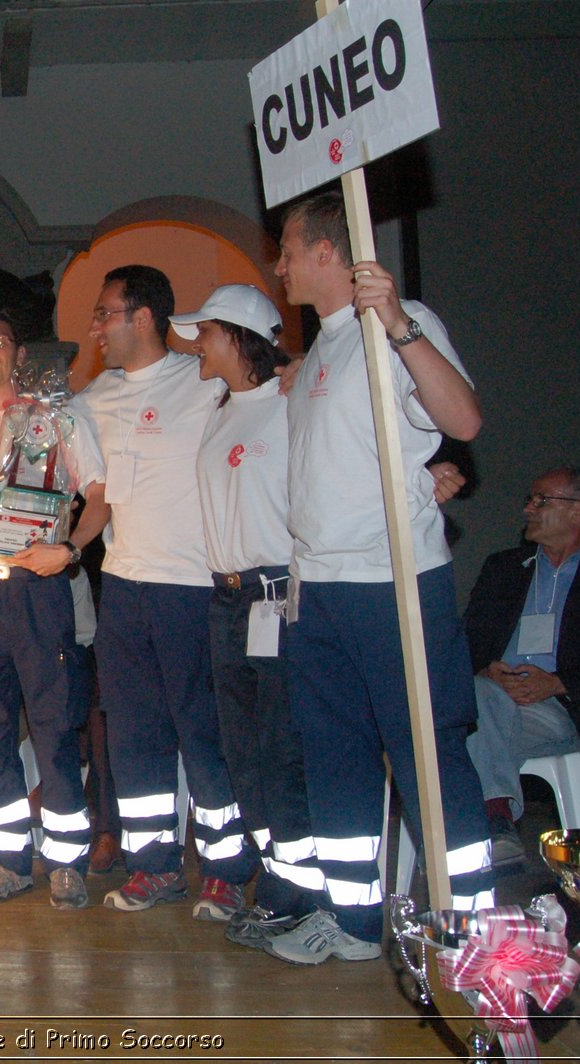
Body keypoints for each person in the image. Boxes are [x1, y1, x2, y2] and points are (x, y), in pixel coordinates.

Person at [268, 187, 493, 965]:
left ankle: (471, 928)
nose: (281, 264)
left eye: (290, 249)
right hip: (318, 592)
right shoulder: (323, 349)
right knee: (335, 759)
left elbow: (462, 422)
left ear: (328, 252)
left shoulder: (403, 325)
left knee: (428, 751)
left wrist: (397, 326)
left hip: (391, 583)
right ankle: (358, 922)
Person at [70, 266, 257, 918]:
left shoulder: (200, 380)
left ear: (142, 316)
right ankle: (153, 866)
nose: (95, 327)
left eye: (104, 313)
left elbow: (265, 400)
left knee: (201, 731)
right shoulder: (92, 398)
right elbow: (30, 432)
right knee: (134, 734)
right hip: (123, 586)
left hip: (192, 586)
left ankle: (226, 870)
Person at [173, 285, 327, 948]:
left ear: (238, 336)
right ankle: (276, 881)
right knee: (243, 752)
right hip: (227, 598)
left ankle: (300, 892)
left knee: (279, 747)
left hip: (279, 595)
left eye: (204, 332)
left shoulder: (292, 408)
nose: (195, 344)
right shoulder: (216, 409)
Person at [0, 314, 108, 909]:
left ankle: (66, 861)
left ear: (18, 353)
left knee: (53, 724)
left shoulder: (56, 419)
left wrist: (69, 550)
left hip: (37, 586)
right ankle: (7, 859)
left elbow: (99, 495)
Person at [464, 467, 580, 865]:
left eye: (541, 500)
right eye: (529, 499)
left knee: (458, 733)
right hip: (489, 699)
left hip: (558, 709)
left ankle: (480, 825)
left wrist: (558, 683)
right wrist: (487, 671)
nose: (528, 508)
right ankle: (495, 821)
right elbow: (464, 643)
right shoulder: (504, 568)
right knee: (476, 701)